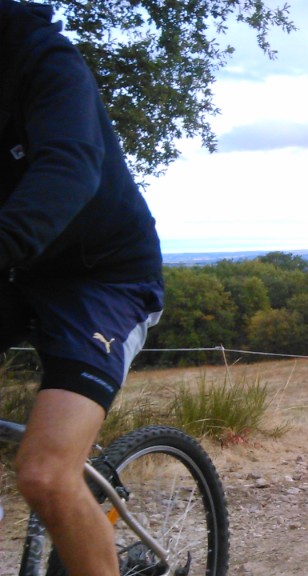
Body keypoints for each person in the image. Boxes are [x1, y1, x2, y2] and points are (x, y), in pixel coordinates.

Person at [1, 2, 164, 574]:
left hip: (103, 277)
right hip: (16, 269)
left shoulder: (41, 58)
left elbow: (69, 167)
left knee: (46, 474)